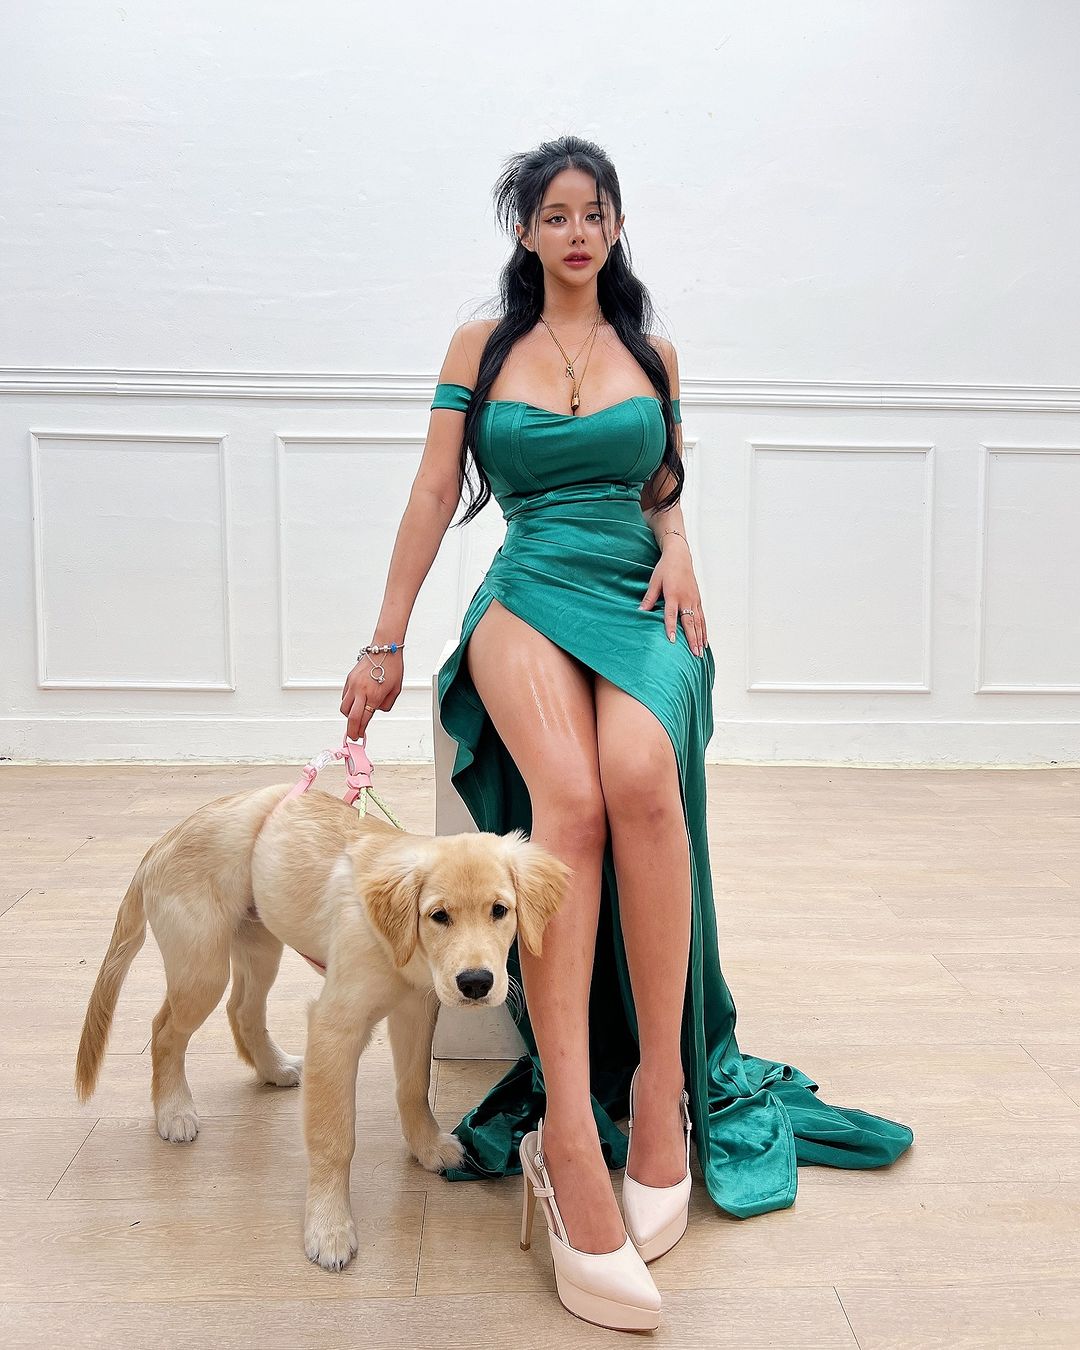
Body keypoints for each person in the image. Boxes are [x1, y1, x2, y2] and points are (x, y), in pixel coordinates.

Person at [340, 134, 914, 1332]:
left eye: (594, 212)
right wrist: (383, 642)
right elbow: (434, 493)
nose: (577, 232)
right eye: (555, 214)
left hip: (639, 587)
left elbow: (664, 488)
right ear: (524, 231)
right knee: (574, 802)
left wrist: (683, 549)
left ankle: (660, 1088)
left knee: (643, 779)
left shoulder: (652, 354)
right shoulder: (479, 347)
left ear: (614, 227)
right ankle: (568, 1127)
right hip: (529, 583)